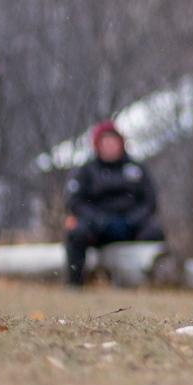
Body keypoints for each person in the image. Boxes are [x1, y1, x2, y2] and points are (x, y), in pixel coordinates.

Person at [62, 120, 164, 287]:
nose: (110, 146)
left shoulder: (136, 168)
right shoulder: (87, 170)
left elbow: (150, 201)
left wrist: (131, 220)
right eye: (105, 142)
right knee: (76, 232)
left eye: (113, 142)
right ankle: (75, 283)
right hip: (96, 226)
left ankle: (150, 283)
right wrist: (99, 221)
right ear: (97, 145)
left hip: (131, 225)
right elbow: (74, 202)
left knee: (155, 232)